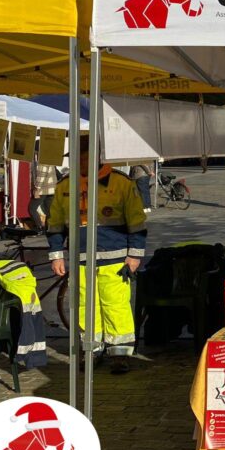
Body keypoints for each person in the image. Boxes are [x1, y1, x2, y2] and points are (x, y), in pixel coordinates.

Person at [47, 136, 146, 375]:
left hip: (115, 259)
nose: (81, 162)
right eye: (77, 157)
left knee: (116, 306)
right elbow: (55, 224)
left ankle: (119, 354)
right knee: (84, 306)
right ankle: (91, 349)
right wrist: (56, 255)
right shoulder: (65, 186)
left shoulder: (122, 183)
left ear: (97, 157)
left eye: (84, 157)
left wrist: (134, 256)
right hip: (81, 259)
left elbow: (136, 222)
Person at [29, 158, 57, 231]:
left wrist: (37, 188)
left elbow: (42, 175)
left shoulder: (43, 160)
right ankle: (48, 229)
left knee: (32, 208)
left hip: (43, 189)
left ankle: (39, 227)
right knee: (49, 211)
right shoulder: (50, 160)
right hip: (51, 188)